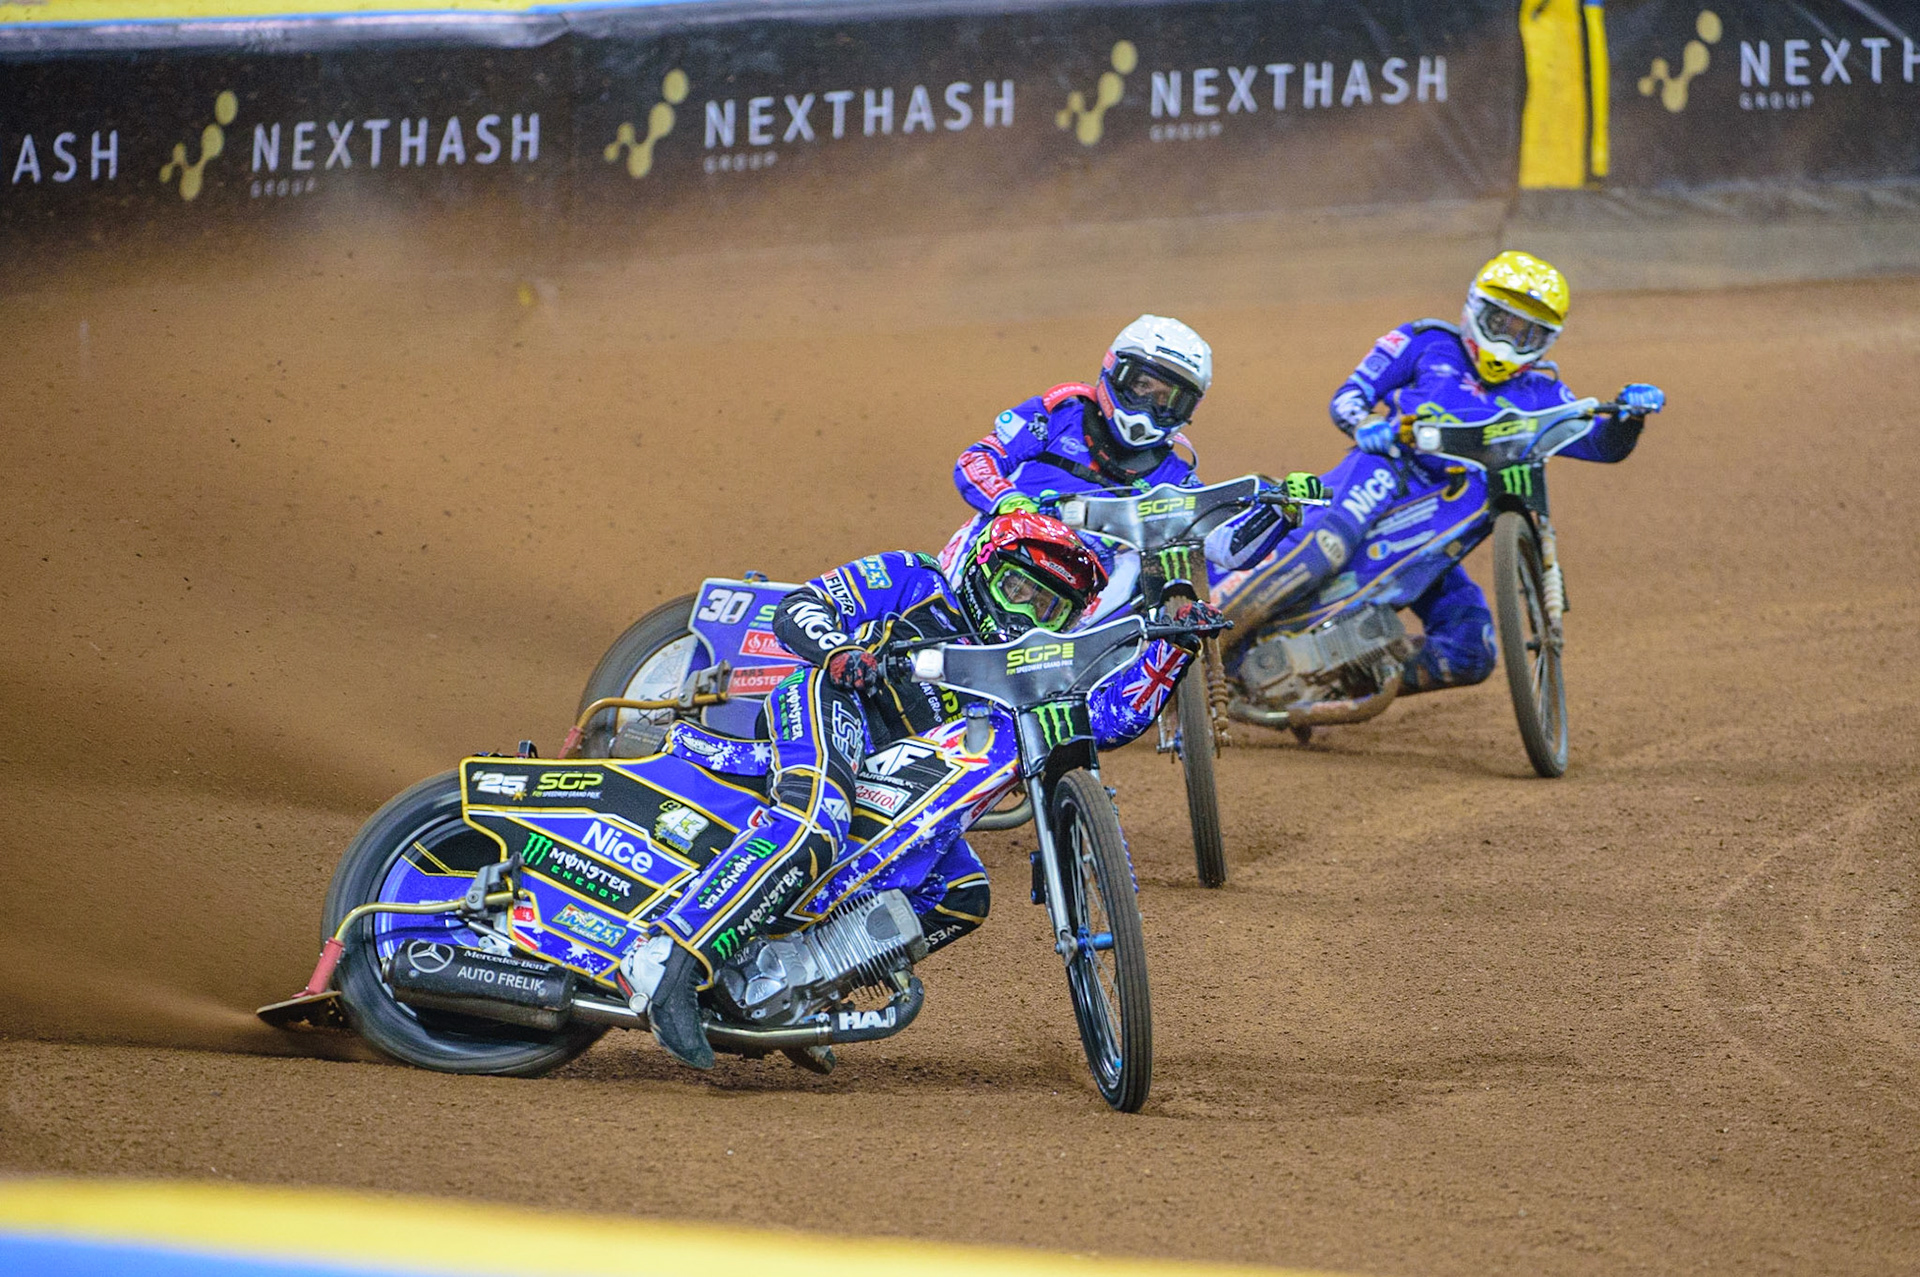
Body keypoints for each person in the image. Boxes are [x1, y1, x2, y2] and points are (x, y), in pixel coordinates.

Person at [621, 511, 1224, 1069]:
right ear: (984, 568)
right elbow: (807, 604)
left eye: (1050, 609)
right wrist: (839, 652)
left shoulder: (1034, 675)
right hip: (833, 707)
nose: (1028, 615)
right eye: (1019, 590)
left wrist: (1175, 648)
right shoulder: (915, 578)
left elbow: (1110, 718)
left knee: (961, 893)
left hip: (902, 783)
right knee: (819, 820)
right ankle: (675, 961)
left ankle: (795, 992)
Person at [1207, 250, 1665, 692]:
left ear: (1545, 340)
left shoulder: (1543, 392)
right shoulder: (1426, 341)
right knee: (1327, 544)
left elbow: (1601, 445)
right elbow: (1350, 395)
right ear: (1476, 310)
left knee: (1473, 648)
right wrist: (1367, 426)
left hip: (1444, 526)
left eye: (1527, 332)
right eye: (1502, 321)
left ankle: (1324, 678)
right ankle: (1201, 645)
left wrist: (1629, 419)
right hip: (1387, 472)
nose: (1509, 337)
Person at [941, 315, 1213, 617]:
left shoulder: (1175, 476)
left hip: (1072, 605)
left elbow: (1225, 543)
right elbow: (976, 460)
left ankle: (1134, 658)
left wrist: (1273, 510)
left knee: (1160, 560)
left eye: (1168, 400)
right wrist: (1007, 501)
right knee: (919, 595)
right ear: (1115, 371)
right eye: (1142, 385)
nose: (1149, 407)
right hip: (996, 555)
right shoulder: (1060, 413)